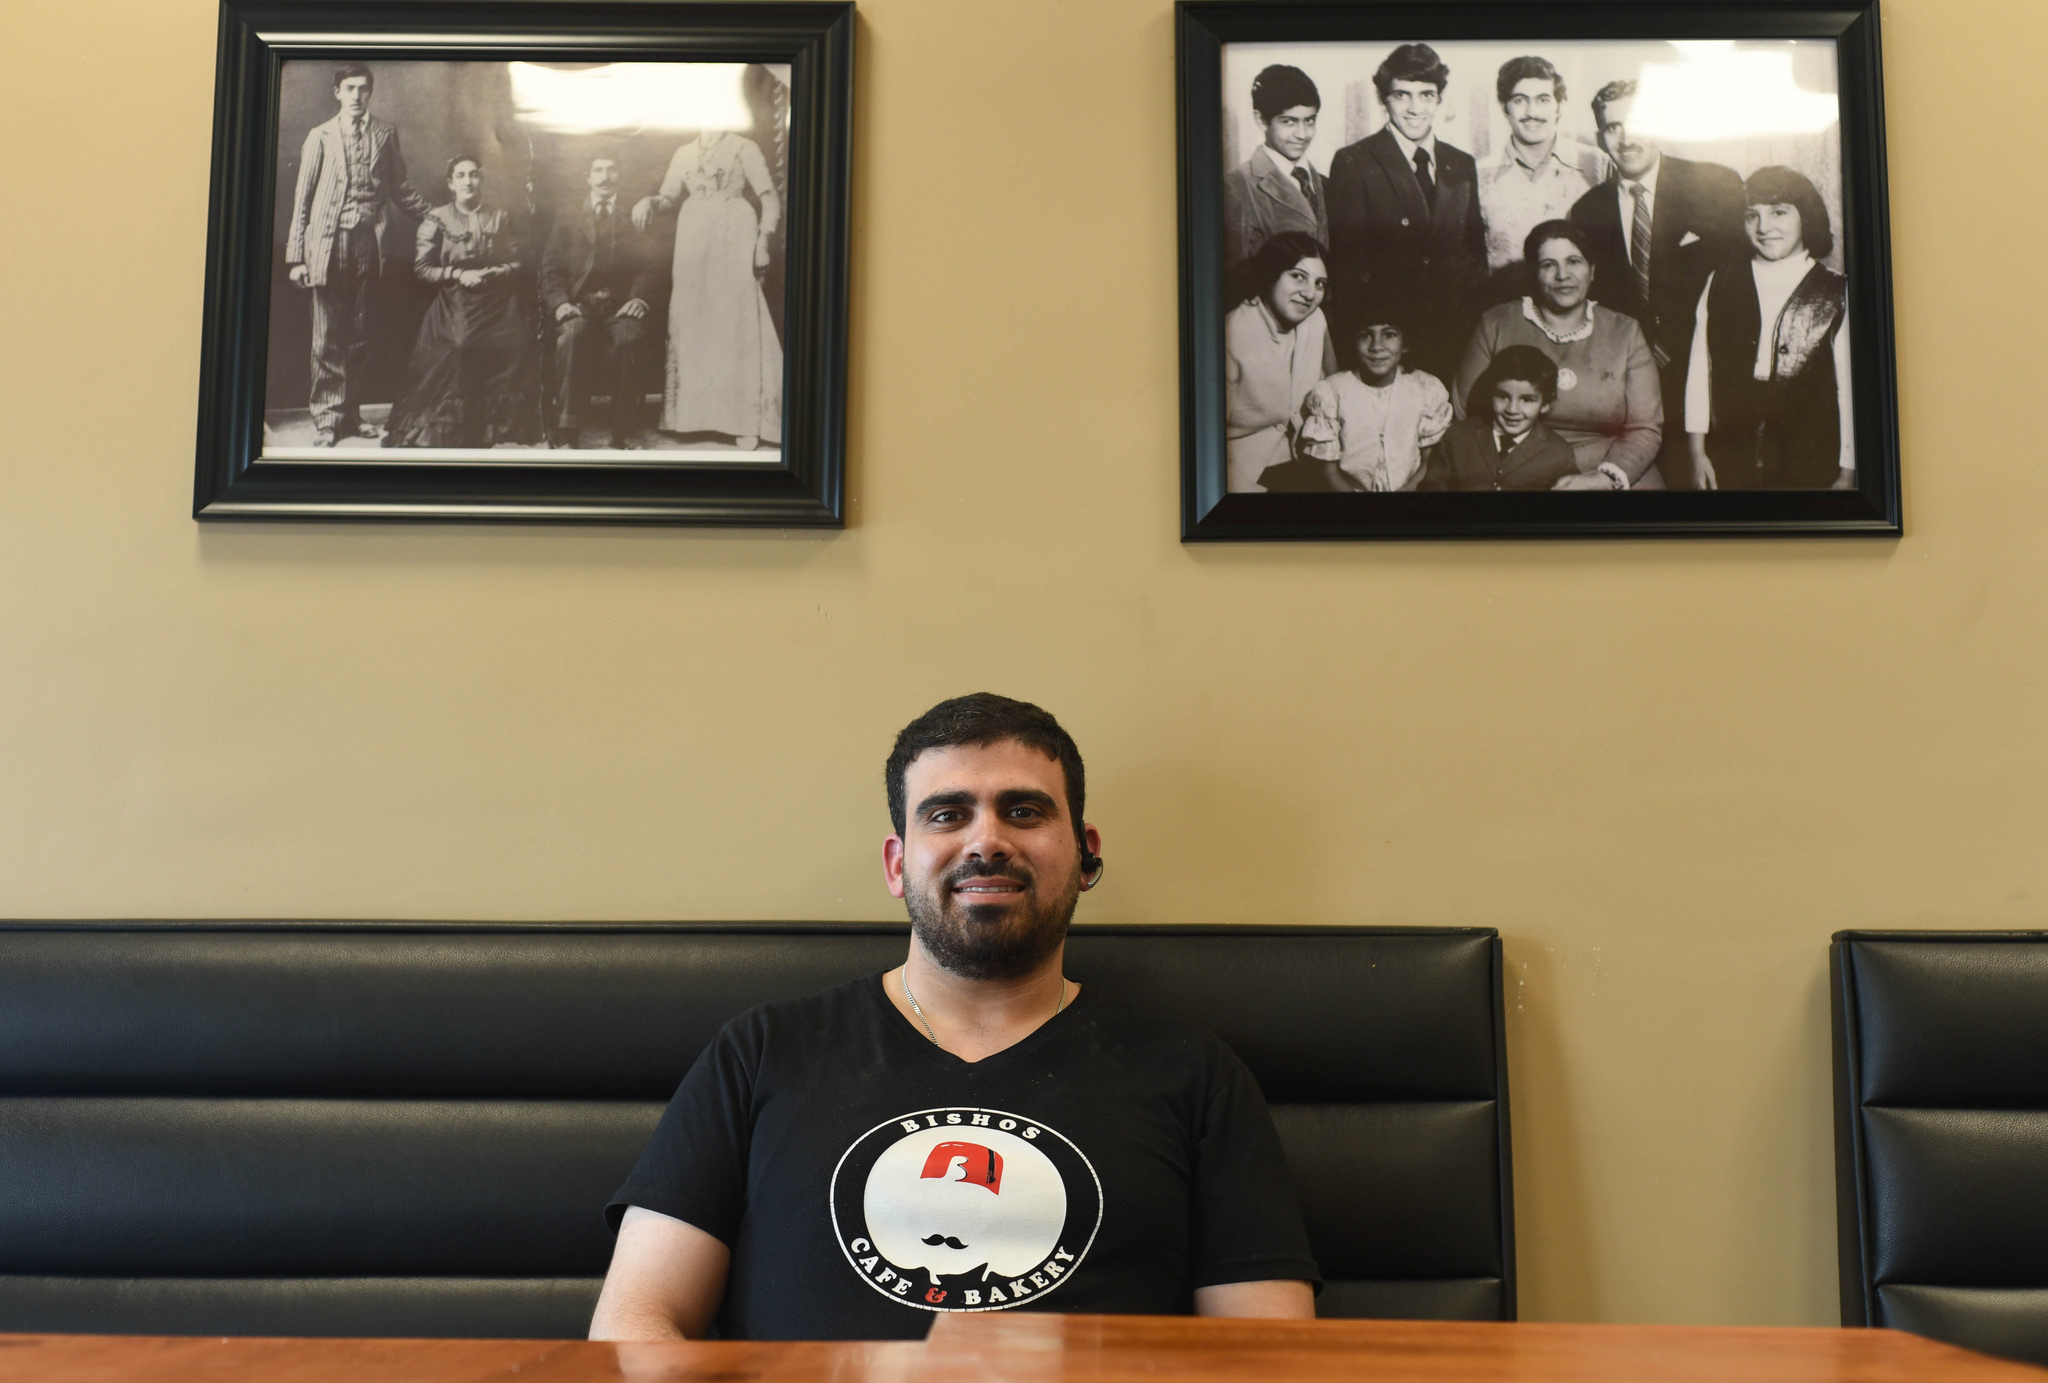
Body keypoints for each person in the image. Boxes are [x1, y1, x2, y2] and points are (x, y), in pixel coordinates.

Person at [589, 694, 1320, 1341]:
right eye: (947, 813)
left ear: (1086, 852)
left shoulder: (1193, 1071)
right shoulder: (761, 1051)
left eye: (1024, 810)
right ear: (896, 862)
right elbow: (636, 1323)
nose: (987, 839)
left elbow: (1271, 1351)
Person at [1567, 79, 1743, 486]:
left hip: (1709, 376)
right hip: (1630, 388)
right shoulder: (1587, 210)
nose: (1627, 139)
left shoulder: (1715, 185)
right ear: (1601, 137)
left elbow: (1738, 284)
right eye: (1613, 128)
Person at [284, 62, 432, 447]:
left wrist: (437, 216)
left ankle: (351, 416)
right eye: (349, 88)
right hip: (327, 246)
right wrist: (297, 258)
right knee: (327, 336)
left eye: (362, 89)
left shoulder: (385, 133)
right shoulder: (320, 136)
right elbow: (302, 200)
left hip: (372, 244)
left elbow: (400, 188)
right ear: (337, 92)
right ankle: (327, 421)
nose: (356, 95)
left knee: (361, 335)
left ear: (370, 93)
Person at [1453, 220, 1663, 489]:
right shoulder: (1497, 322)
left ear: (1592, 271)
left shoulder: (1625, 331)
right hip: (1517, 467)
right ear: (1534, 274)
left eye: (1574, 261)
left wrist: (1604, 478)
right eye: (1548, 264)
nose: (1562, 275)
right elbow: (1465, 415)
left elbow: (1645, 428)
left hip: (1611, 465)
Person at [1683, 166, 1855, 491]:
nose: (1764, 227)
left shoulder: (1837, 292)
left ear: (1806, 215)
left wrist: (1848, 471)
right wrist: (1696, 452)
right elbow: (1699, 373)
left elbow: (1847, 391)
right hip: (1732, 449)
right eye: (1752, 216)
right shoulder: (1720, 281)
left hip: (1811, 454)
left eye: (1779, 212)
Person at [1325, 43, 1486, 382]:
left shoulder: (1462, 163)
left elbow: (1474, 260)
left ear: (1439, 99)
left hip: (1453, 340)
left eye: (1426, 95)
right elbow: (1346, 273)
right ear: (1384, 99)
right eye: (1402, 95)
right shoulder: (1354, 161)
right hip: (1386, 349)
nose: (1415, 108)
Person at [631, 130, 784, 451]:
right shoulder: (684, 151)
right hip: (693, 237)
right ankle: (689, 418)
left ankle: (745, 422)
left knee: (734, 323)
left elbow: (769, 196)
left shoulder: (745, 147)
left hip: (735, 233)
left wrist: (763, 242)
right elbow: (669, 196)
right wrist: (650, 200)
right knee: (694, 320)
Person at [381, 157, 539, 450]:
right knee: (461, 345)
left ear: (481, 179)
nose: (468, 182)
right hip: (455, 301)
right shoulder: (436, 219)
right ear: (450, 184)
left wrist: (493, 273)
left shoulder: (500, 216)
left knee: (518, 341)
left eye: (474, 175)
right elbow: (422, 268)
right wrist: (457, 273)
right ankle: (462, 428)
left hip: (498, 300)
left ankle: (500, 428)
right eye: (461, 176)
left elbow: (517, 261)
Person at [540, 154, 661, 450]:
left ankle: (624, 429)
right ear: (588, 177)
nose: (605, 177)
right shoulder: (570, 214)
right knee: (571, 336)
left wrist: (639, 299)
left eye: (611, 170)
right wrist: (560, 303)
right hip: (579, 303)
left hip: (620, 305)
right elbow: (551, 267)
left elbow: (653, 265)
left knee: (630, 337)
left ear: (619, 175)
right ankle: (568, 429)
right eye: (598, 170)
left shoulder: (635, 214)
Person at [1286, 292, 1452, 492]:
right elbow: (1328, 471)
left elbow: (1430, 462)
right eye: (1365, 336)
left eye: (1389, 335)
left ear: (1406, 343)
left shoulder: (1426, 389)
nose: (1376, 346)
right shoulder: (1331, 392)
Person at [1224, 232, 1337, 493]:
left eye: (1320, 284)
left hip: (1306, 460)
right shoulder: (1233, 332)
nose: (1309, 294)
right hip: (1243, 474)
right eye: (1298, 276)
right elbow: (1203, 444)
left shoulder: (1315, 320)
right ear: (1270, 274)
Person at [1477, 57, 1602, 289]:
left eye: (1543, 100)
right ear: (1504, 107)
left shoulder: (1596, 165)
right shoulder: (1478, 175)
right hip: (1505, 314)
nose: (1531, 112)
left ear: (1560, 106)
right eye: (1519, 100)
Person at [1422, 344, 1578, 491]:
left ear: (1545, 404)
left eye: (1527, 400)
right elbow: (1433, 487)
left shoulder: (1560, 453)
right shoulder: (1458, 437)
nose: (1512, 409)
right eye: (1502, 396)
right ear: (1490, 394)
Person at [1221, 65, 1328, 272]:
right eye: (1289, 122)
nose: (1303, 134)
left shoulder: (1324, 183)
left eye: (1310, 121)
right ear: (1261, 120)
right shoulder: (1235, 187)